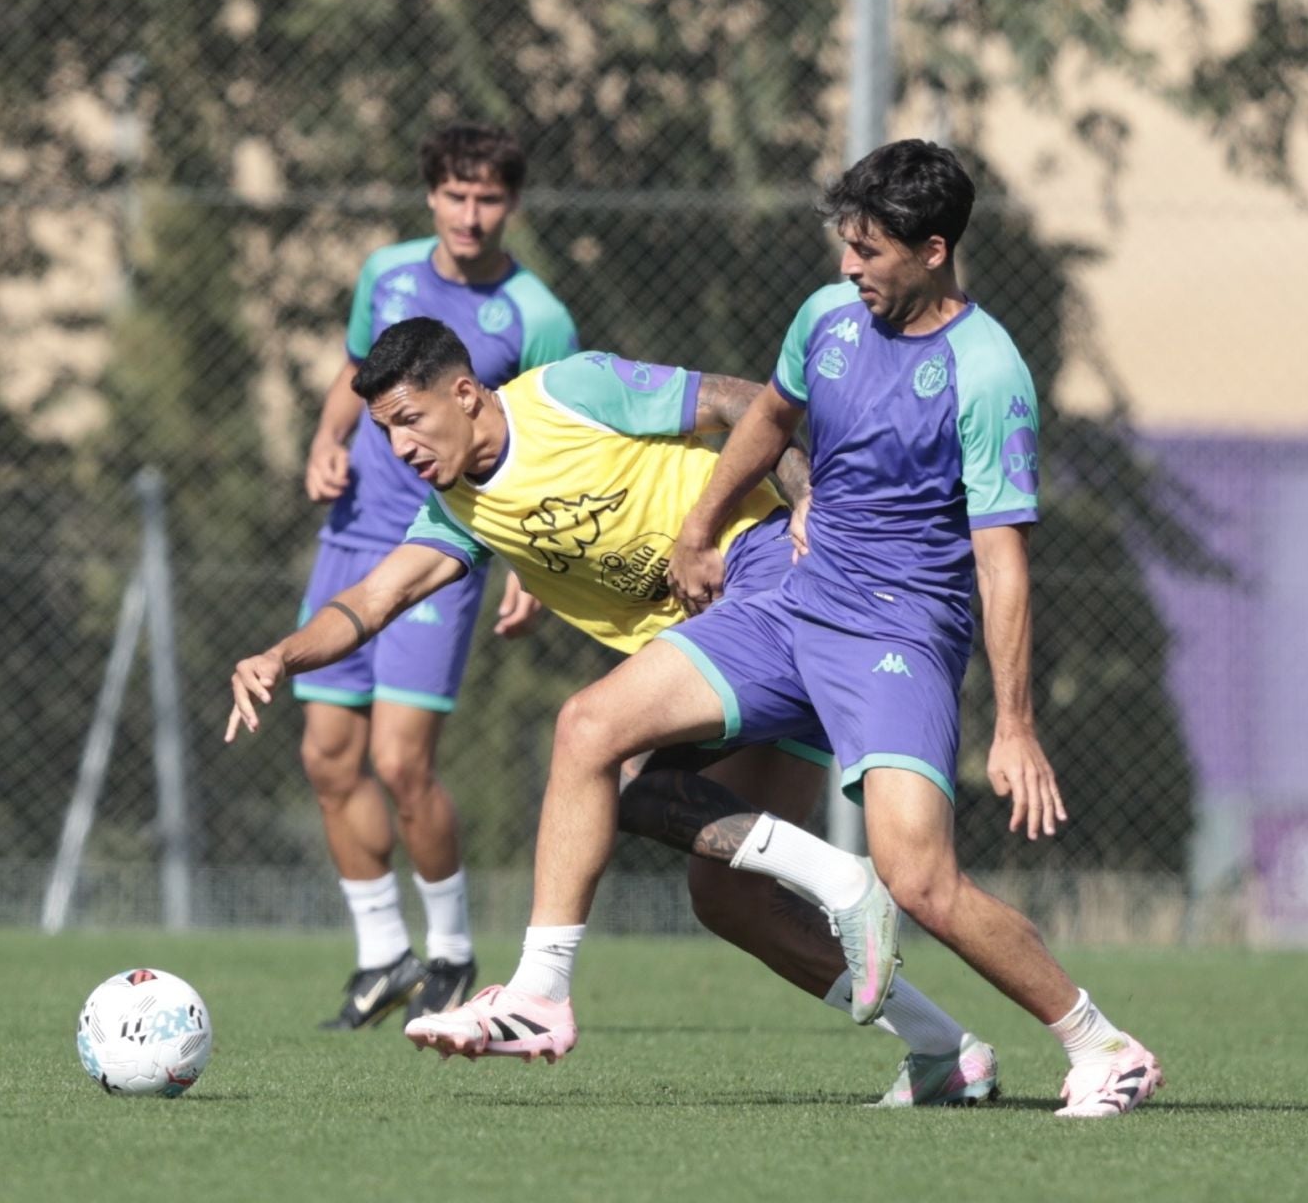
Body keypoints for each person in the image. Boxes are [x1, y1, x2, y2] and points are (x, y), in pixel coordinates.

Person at [405, 140, 1163, 1118]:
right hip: (790, 601)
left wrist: (1013, 722)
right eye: (846, 245)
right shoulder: (827, 319)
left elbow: (1002, 558)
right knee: (590, 730)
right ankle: (542, 995)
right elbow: (764, 419)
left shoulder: (986, 371)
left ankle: (1105, 1045)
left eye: (871, 251)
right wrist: (698, 530)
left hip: (896, 631)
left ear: (934, 251)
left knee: (921, 878)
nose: (850, 267)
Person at [228, 317, 1001, 1107]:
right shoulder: (457, 510)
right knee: (719, 889)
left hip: (769, 577)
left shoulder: (571, 391)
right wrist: (280, 656)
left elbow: (743, 403)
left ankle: (542, 991)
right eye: (385, 432)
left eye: (409, 421)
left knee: (590, 731)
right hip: (718, 652)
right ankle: (944, 1047)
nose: (400, 450)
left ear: (463, 394)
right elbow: (372, 598)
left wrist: (810, 506)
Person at [293, 124, 579, 1030]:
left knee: (399, 760)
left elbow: (554, 438)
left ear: (511, 205)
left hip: (447, 545)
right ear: (431, 198)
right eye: (455, 195)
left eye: (488, 197)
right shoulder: (386, 273)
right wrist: (327, 438)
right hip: (351, 537)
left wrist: (532, 562)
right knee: (327, 756)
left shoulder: (536, 313)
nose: (470, 213)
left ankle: (453, 951)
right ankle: (384, 956)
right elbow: (355, 374)